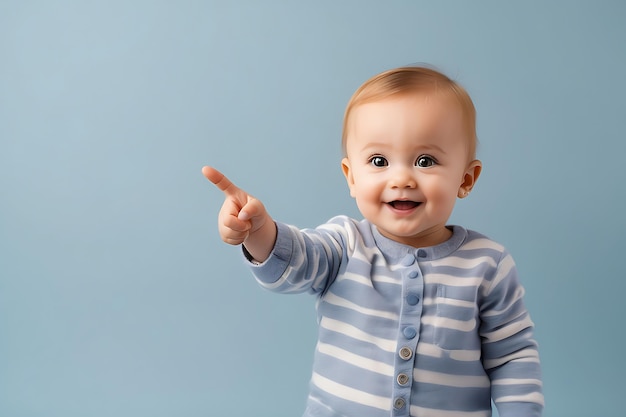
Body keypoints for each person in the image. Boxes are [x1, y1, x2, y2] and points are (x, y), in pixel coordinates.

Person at [202, 65, 544, 417]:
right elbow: (295, 262)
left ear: (466, 178)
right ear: (351, 177)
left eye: (425, 161)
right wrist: (259, 232)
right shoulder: (343, 246)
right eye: (379, 161)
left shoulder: (487, 264)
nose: (401, 178)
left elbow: (512, 355)